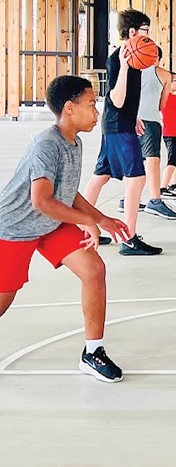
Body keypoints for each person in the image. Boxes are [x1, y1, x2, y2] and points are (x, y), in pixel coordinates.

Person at [0, 76, 130, 382]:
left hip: (50, 224)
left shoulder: (74, 141)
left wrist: (102, 219)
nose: (97, 111)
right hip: (16, 227)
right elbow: (42, 200)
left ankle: (93, 352)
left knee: (93, 270)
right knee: (3, 301)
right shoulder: (47, 144)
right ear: (69, 108)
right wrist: (86, 221)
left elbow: (68, 191)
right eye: (91, 104)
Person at [83, 9, 162, 256]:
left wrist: (134, 116)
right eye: (145, 31)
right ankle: (128, 239)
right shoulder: (119, 60)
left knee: (101, 176)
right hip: (118, 126)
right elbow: (116, 99)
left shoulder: (136, 59)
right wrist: (126, 68)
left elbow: (125, 101)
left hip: (119, 124)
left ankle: (83, 229)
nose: (149, 37)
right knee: (136, 179)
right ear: (132, 32)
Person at [133, 47, 176, 218]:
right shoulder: (164, 74)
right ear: (158, 57)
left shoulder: (132, 70)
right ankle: (155, 201)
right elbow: (161, 105)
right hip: (150, 120)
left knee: (134, 160)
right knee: (152, 160)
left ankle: (129, 199)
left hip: (131, 118)